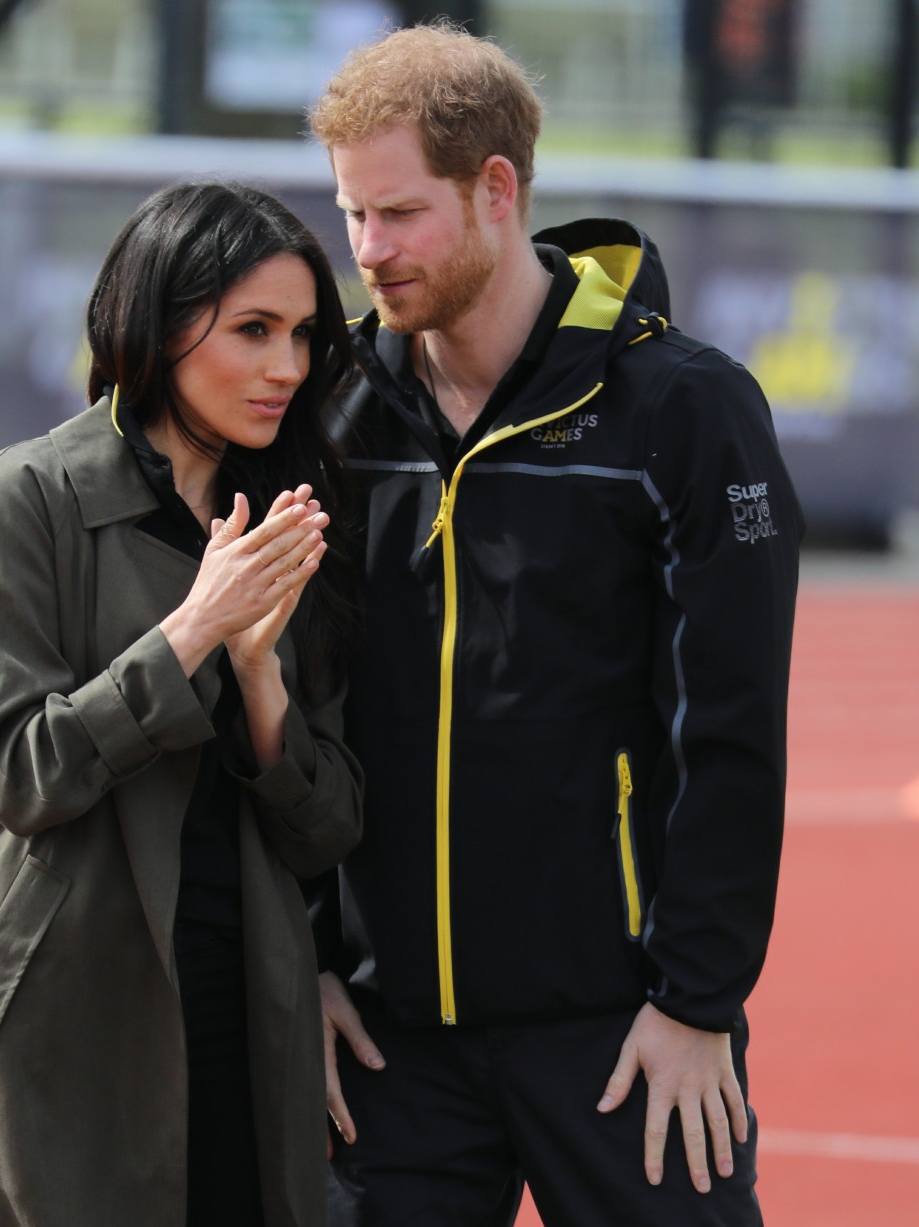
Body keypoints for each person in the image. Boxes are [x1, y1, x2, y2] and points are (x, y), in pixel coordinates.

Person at [307, 21, 802, 1227]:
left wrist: (694, 1003)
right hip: (387, 1044)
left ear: (495, 190)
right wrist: (306, 961)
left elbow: (730, 731)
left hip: (624, 1033)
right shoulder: (336, 411)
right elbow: (299, 706)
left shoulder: (682, 410)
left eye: (399, 213)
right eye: (352, 213)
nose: (367, 251)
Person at [0, 181, 363, 1227]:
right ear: (157, 324)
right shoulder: (24, 496)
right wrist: (194, 628)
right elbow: (24, 775)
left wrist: (258, 677)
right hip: (66, 1012)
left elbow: (327, 830)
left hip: (245, 1011)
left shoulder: (294, 516)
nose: (287, 367)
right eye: (253, 329)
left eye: (303, 335)